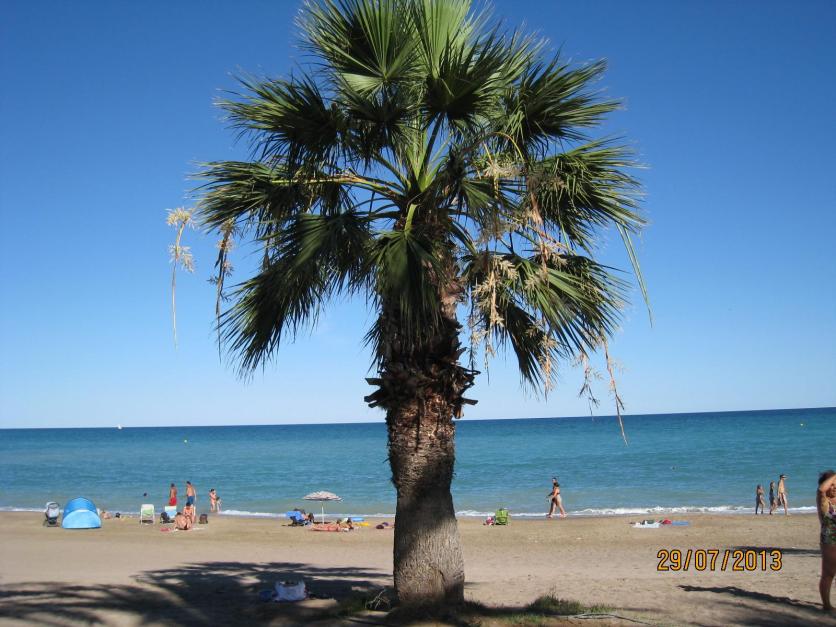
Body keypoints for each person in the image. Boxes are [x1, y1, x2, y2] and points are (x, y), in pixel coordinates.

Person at [816, 470, 836, 611]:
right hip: (830, 541)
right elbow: (821, 490)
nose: (834, 487)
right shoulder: (823, 500)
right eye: (832, 484)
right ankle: (827, 605)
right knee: (829, 573)